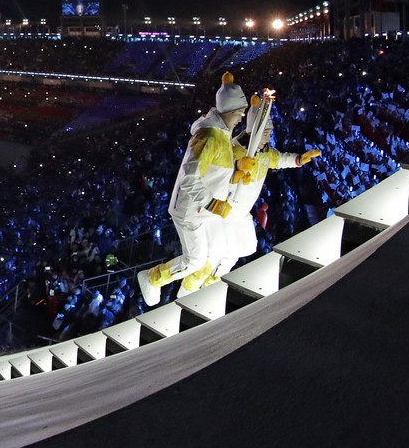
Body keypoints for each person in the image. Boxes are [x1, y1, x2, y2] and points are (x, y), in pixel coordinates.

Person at [137, 72, 248, 306]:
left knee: (216, 253)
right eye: (240, 113)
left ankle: (195, 295)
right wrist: (215, 204)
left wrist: (238, 165)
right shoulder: (209, 135)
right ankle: (151, 278)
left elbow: (218, 166)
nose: (241, 117)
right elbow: (190, 179)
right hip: (190, 211)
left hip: (204, 211)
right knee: (196, 260)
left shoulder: (221, 132)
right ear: (228, 111)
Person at [202, 95, 321, 286]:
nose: (268, 136)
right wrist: (235, 169)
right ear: (253, 130)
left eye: (269, 132)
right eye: (265, 132)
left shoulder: (266, 152)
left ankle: (213, 279)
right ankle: (205, 281)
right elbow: (215, 173)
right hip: (225, 210)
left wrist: (299, 159)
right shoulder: (234, 150)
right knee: (224, 252)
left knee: (248, 247)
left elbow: (280, 159)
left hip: (242, 213)